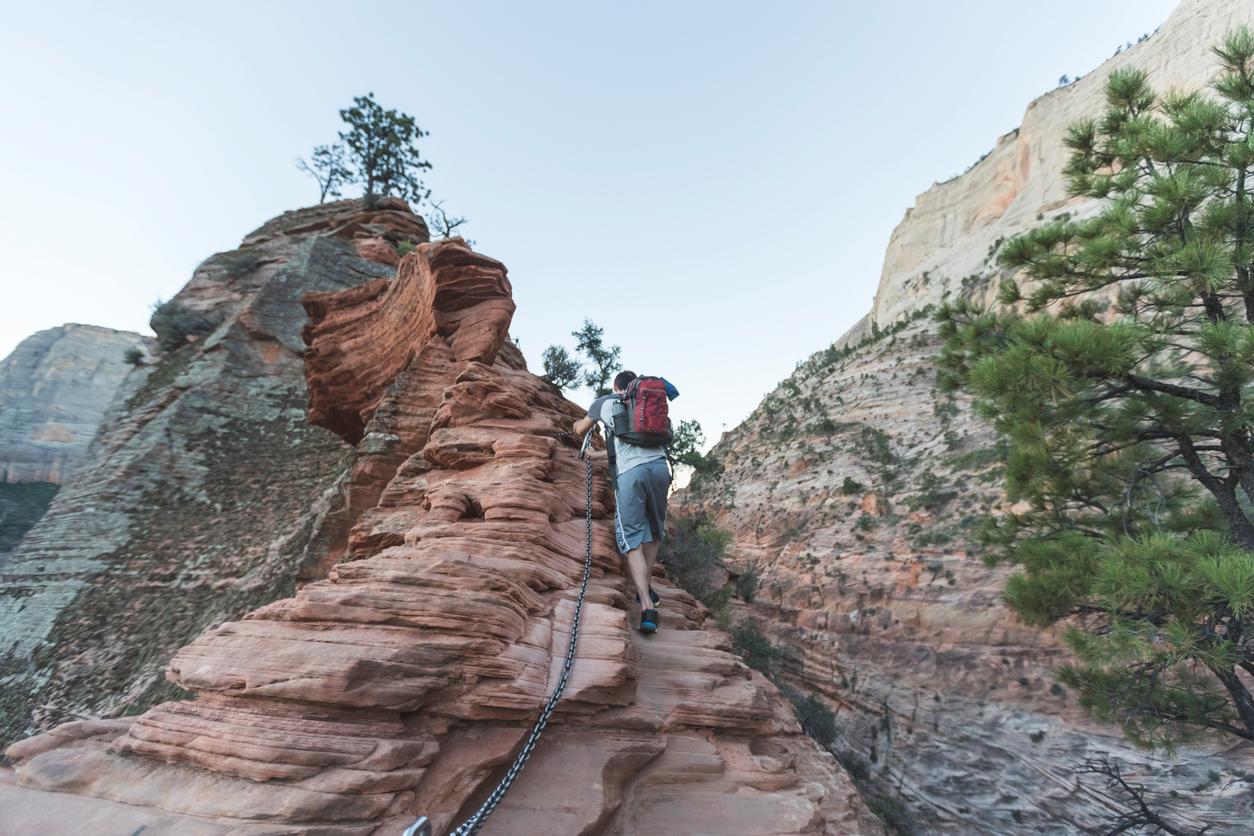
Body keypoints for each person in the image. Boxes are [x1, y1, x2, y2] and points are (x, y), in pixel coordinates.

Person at [572, 370, 677, 633]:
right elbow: (621, 446)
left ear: (616, 386)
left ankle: (646, 608)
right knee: (653, 533)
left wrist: (580, 432)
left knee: (631, 539)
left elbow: (579, 429)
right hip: (660, 468)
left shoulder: (604, 403)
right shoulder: (647, 405)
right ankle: (648, 587)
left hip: (631, 473)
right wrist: (596, 455)